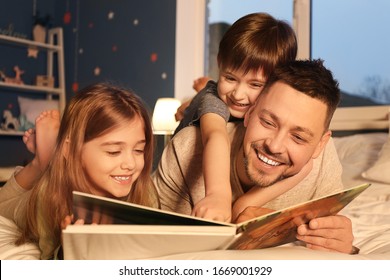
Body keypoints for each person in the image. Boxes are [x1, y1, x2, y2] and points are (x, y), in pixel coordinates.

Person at [153, 59, 358, 254]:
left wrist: (345, 246)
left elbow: (329, 240)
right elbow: (148, 242)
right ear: (249, 114)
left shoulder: (323, 163)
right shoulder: (187, 148)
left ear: (320, 144)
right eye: (268, 122)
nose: (274, 146)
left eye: (297, 137)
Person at [0, 82, 159, 259]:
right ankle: (41, 163)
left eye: (138, 150)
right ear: (72, 150)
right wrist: (67, 248)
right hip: (37, 197)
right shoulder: (49, 199)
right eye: (113, 152)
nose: (130, 164)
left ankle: (50, 158)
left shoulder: (145, 192)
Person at [171, 12, 298, 223]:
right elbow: (215, 136)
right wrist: (218, 196)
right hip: (174, 176)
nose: (238, 94)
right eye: (230, 78)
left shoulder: (272, 109)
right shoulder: (214, 100)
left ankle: (243, 204)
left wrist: (244, 204)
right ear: (220, 63)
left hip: (245, 198)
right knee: (207, 96)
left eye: (255, 85)